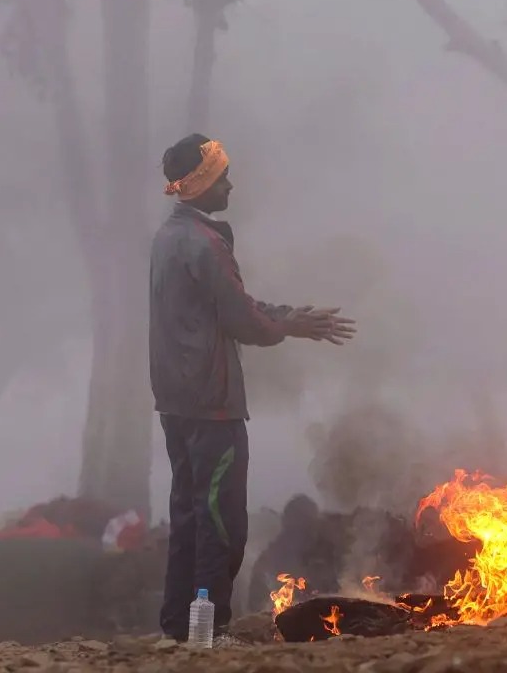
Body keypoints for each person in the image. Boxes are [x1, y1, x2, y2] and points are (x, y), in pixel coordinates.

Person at [150, 133, 355, 641]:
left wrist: (285, 316)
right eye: (222, 178)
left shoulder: (169, 236)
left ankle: (180, 628)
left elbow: (226, 306)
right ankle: (209, 631)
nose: (231, 185)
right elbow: (242, 319)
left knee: (190, 514)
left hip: (175, 401)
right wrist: (289, 325)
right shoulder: (205, 242)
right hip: (212, 405)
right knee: (221, 523)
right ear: (200, 186)